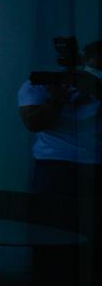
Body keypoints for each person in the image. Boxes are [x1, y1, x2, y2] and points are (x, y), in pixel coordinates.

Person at [17, 38, 102, 218]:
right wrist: (56, 100)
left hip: (77, 166)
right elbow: (33, 123)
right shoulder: (45, 84)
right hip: (55, 167)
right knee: (50, 231)